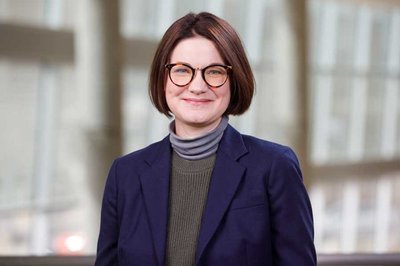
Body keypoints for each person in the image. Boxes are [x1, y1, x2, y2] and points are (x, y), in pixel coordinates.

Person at [95, 12, 316, 266]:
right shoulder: (125, 175)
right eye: (181, 70)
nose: (197, 86)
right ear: (162, 77)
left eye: (214, 72)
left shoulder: (274, 167)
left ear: (234, 80)